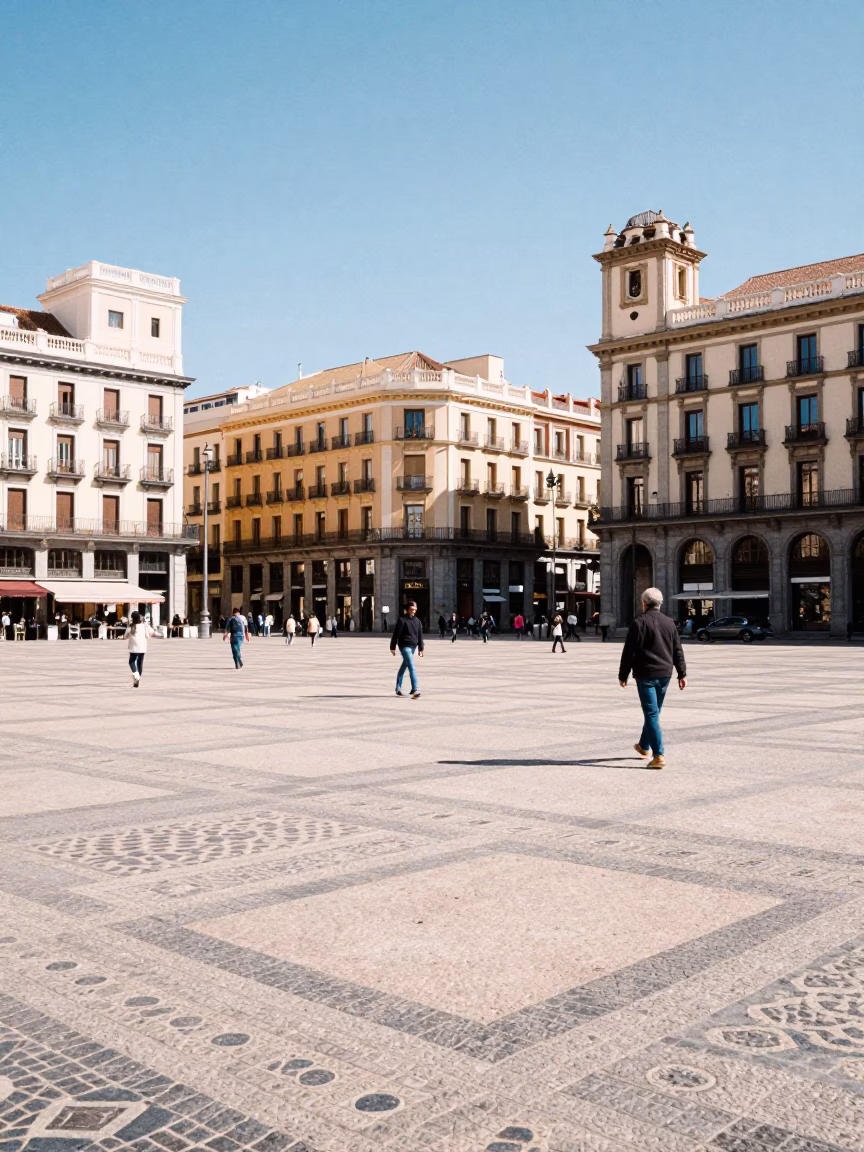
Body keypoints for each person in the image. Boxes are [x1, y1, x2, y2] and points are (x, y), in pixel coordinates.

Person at [618, 587, 687, 771]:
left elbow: (628, 653)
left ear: (643, 603)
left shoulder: (638, 623)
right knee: (654, 712)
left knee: (651, 714)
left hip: (646, 674)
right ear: (660, 603)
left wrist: (623, 675)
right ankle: (644, 746)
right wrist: (682, 674)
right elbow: (677, 650)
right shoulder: (670, 623)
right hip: (665, 674)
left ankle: (659, 755)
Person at [391, 600, 424, 698]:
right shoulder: (402, 620)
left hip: (413, 646)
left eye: (415, 609)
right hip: (404, 646)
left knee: (404, 666)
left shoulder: (417, 621)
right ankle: (414, 690)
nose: (413, 611)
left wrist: (421, 648)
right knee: (411, 666)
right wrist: (393, 647)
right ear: (408, 609)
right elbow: (396, 634)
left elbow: (420, 636)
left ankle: (398, 688)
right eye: (412, 609)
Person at [124, 610, 158, 686]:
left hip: (133, 648)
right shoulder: (144, 625)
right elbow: (152, 632)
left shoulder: (130, 626)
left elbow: (125, 636)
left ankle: (136, 676)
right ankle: (138, 678)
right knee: (140, 663)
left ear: (132, 618)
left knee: (131, 662)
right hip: (142, 648)